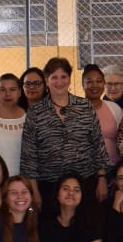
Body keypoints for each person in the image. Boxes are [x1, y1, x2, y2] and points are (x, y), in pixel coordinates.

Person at [23, 56, 110, 208]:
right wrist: (34, 191)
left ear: (69, 79)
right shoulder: (35, 111)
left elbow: (98, 145)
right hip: (49, 186)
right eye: (54, 77)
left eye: (64, 76)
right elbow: (29, 155)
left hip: (84, 183)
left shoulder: (85, 106)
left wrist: (102, 178)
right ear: (47, 80)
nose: (59, 82)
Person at [81, 64, 123, 167]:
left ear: (104, 83)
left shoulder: (114, 108)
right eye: (89, 82)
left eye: (99, 81)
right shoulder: (75, 110)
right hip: (84, 169)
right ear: (83, 85)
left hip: (113, 167)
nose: (94, 85)